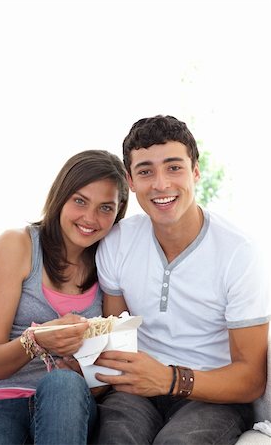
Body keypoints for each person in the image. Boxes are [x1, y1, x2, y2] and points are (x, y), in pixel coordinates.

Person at [93, 115, 270, 445]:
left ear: (196, 172)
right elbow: (116, 341)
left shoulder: (239, 253)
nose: (161, 184)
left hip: (212, 395)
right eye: (146, 171)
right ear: (130, 180)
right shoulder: (117, 242)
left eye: (174, 167)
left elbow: (251, 379)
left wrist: (169, 379)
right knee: (116, 437)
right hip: (136, 391)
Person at [0, 149, 129, 445]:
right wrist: (37, 340)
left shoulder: (110, 263)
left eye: (105, 208)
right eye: (80, 201)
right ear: (61, 197)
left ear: (118, 214)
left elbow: (107, 374)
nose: (90, 218)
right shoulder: (17, 246)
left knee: (63, 383)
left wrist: (85, 373)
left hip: (68, 404)